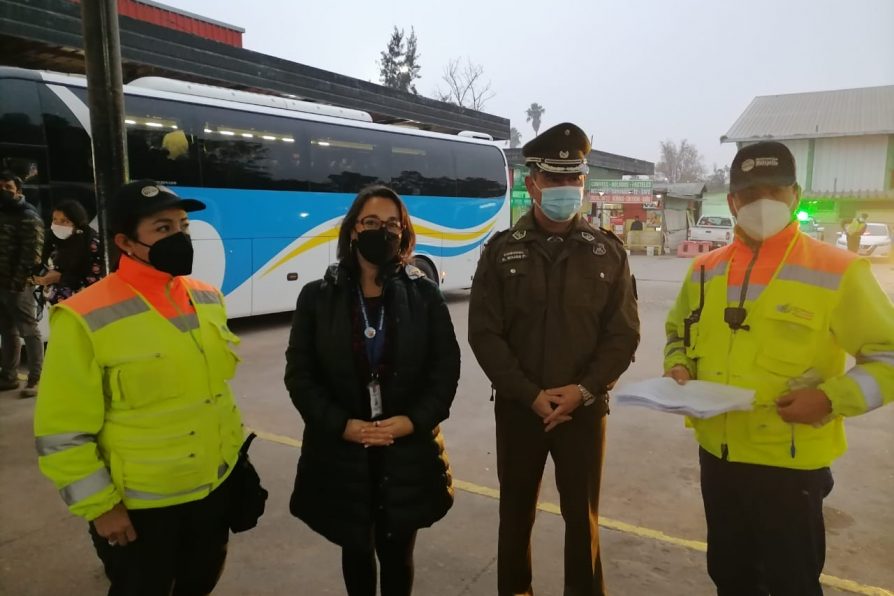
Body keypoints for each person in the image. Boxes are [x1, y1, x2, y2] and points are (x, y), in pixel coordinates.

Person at [664, 142, 894, 595]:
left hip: (790, 467)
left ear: (796, 195)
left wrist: (831, 399)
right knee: (730, 577)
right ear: (732, 202)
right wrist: (677, 366)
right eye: (749, 195)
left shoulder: (839, 270)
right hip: (719, 458)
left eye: (773, 191)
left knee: (791, 583)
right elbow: (678, 333)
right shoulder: (704, 271)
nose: (761, 203)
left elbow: (888, 356)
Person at [34, 180, 246, 595]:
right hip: (141, 507)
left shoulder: (208, 297)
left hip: (214, 488)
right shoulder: (82, 315)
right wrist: (101, 507)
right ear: (125, 242)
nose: (180, 237)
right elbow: (62, 432)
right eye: (163, 229)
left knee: (199, 582)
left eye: (183, 227)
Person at [468, 123, 640, 596]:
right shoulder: (502, 253)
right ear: (532, 184)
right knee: (515, 516)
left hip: (583, 413)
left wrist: (584, 390)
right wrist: (529, 395)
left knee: (582, 521)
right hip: (521, 411)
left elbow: (623, 334)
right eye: (556, 179)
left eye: (574, 179)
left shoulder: (608, 252)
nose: (567, 189)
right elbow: (485, 334)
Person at [284, 184, 460, 596]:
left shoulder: (425, 296)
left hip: (407, 452)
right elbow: (300, 376)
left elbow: (445, 371)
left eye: (392, 224)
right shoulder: (316, 297)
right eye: (371, 222)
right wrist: (341, 425)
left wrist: (411, 422)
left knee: (398, 555)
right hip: (343, 452)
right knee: (357, 552)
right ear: (352, 231)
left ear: (404, 234)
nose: (382, 231)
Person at [0, 170, 44, 397]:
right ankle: (8, 376)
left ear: (18, 190)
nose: (3, 191)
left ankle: (35, 379)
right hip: (1, 284)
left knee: (28, 330)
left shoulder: (27, 215)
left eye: (8, 187)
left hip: (17, 285)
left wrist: (16, 283)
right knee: (7, 331)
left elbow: (32, 255)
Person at [34, 199, 104, 306]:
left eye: (64, 221)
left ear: (77, 223)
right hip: (58, 304)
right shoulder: (54, 240)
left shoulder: (91, 243)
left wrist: (60, 278)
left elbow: (95, 278)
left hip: (83, 305)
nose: (57, 224)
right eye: (55, 219)